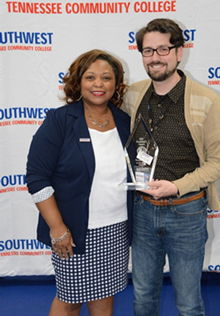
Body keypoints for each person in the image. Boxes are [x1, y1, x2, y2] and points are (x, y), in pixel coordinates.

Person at [122, 18, 220, 316]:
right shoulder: (133, 94)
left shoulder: (207, 100)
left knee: (188, 303)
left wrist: (177, 185)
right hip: (142, 210)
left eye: (162, 49)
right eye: (147, 51)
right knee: (142, 298)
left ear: (179, 52)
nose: (155, 57)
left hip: (186, 211)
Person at [26, 49, 134, 316]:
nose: (99, 84)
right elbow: (37, 178)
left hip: (116, 229)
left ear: (116, 84)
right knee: (70, 300)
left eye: (107, 78)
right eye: (90, 77)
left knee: (104, 295)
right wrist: (58, 229)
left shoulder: (124, 122)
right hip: (73, 232)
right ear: (78, 82)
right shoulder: (59, 121)